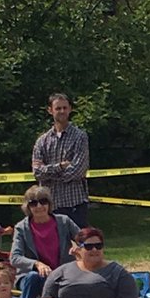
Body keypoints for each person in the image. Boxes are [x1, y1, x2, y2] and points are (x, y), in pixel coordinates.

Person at [9, 185, 79, 298]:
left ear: (49, 204)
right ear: (28, 207)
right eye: (33, 203)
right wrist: (36, 264)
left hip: (61, 273)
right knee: (33, 277)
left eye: (43, 201)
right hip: (32, 277)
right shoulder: (21, 228)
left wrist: (78, 248)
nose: (39, 206)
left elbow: (85, 239)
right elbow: (15, 258)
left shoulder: (64, 221)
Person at [41, 226, 138, 298]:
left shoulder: (117, 272)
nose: (95, 249)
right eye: (89, 246)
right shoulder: (61, 272)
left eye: (98, 246)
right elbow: (48, 297)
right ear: (79, 249)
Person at [31, 92, 90, 227]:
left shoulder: (80, 137)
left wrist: (49, 173)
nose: (62, 111)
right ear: (50, 110)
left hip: (74, 205)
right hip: (49, 207)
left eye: (65, 108)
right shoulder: (42, 141)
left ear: (70, 109)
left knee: (77, 247)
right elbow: (37, 173)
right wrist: (61, 166)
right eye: (58, 108)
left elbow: (77, 171)